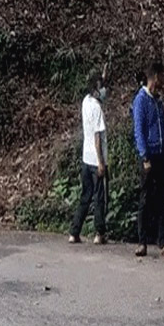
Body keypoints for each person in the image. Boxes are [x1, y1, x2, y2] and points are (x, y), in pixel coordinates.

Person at [133, 62, 164, 257]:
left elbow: (163, 129)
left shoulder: (158, 101)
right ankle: (142, 242)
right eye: (161, 77)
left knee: (162, 199)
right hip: (149, 156)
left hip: (162, 155)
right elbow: (139, 130)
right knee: (146, 198)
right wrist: (144, 156)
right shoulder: (141, 100)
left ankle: (163, 241)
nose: (163, 81)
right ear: (155, 77)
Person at [69, 72, 109, 244]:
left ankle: (74, 232)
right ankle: (99, 233)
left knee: (85, 196)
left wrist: (103, 76)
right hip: (96, 160)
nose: (104, 90)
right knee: (99, 197)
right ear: (95, 89)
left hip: (86, 158)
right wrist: (101, 162)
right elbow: (97, 137)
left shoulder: (85, 102)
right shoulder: (97, 108)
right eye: (101, 86)